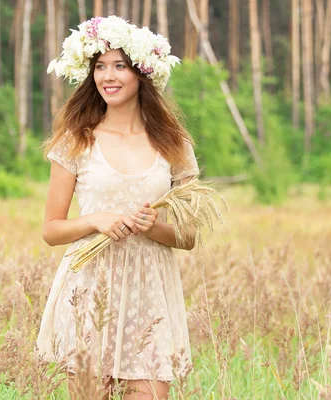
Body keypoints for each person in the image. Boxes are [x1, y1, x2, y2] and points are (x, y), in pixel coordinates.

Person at [37, 16, 200, 400]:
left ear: (142, 72)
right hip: (89, 289)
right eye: (99, 66)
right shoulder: (76, 141)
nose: (107, 76)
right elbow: (50, 230)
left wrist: (152, 225)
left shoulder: (174, 144)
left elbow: (189, 236)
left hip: (150, 294)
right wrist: (96, 220)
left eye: (120, 66)